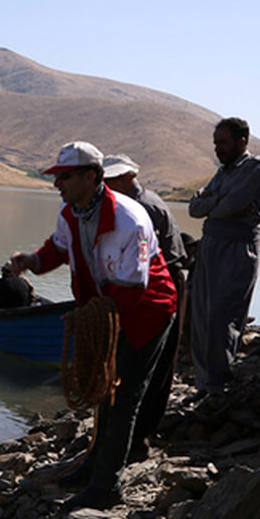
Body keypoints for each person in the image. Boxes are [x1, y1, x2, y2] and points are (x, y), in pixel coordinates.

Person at [11, 141, 177, 510]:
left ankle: (106, 486)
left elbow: (133, 289)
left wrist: (94, 326)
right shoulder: (70, 212)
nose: (58, 185)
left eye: (65, 177)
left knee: (123, 397)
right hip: (107, 312)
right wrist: (33, 261)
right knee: (102, 394)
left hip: (146, 314)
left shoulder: (128, 220)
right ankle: (91, 468)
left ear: (92, 176)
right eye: (57, 177)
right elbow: (58, 247)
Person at [102, 154, 187, 457]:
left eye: (110, 181)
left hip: (159, 286)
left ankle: (138, 440)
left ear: (127, 178)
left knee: (153, 364)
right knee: (144, 362)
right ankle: (132, 437)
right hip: (149, 283)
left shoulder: (142, 208)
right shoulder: (134, 203)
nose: (105, 188)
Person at [187, 117, 260, 400]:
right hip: (209, 246)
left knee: (222, 318)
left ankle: (219, 385)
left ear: (242, 141)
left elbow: (233, 206)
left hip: (237, 250)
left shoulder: (257, 169)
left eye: (223, 142)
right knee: (200, 316)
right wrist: (217, 201)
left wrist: (214, 201)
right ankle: (204, 383)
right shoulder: (223, 173)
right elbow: (194, 209)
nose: (217, 149)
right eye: (215, 143)